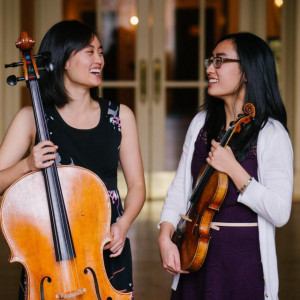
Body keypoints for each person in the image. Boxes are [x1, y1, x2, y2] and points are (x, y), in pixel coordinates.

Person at [0, 20, 145, 298]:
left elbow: (137, 185)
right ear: (64, 60)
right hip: (48, 252)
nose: (99, 59)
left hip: (104, 246)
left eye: (101, 52)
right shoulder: (31, 119)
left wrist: (123, 224)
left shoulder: (120, 116)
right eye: (89, 52)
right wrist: (26, 166)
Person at [158, 32, 293, 300]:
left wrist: (233, 168)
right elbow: (181, 188)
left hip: (244, 266)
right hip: (195, 256)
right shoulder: (201, 123)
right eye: (211, 61)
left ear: (247, 71)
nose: (209, 68)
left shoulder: (271, 134)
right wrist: (165, 234)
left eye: (220, 61)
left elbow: (280, 212)